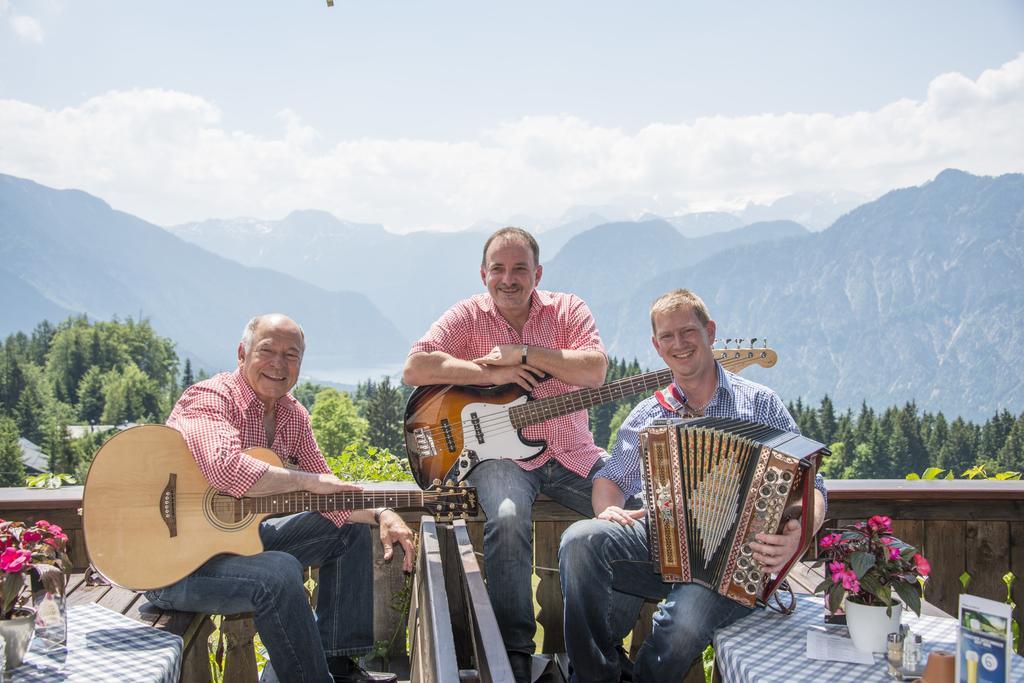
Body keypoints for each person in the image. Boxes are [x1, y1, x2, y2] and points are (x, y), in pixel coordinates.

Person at [558, 289, 828, 683]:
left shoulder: (760, 404)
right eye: (667, 336)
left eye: (688, 331)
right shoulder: (650, 413)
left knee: (685, 618)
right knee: (579, 541)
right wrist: (607, 510)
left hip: (741, 561)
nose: (679, 344)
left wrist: (801, 532)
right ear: (656, 345)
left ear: (710, 331)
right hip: (663, 545)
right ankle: (594, 676)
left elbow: (814, 486)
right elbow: (611, 477)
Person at [145, 314, 415, 683]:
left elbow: (329, 489)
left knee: (346, 532)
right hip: (172, 565)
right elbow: (225, 469)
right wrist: (306, 481)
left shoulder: (293, 415)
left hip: (234, 546)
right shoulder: (211, 397)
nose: (278, 363)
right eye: (266, 350)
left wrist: (383, 511)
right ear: (242, 354)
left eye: (291, 355)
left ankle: (338, 664)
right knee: (278, 571)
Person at [403, 227, 609, 682]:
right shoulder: (467, 317)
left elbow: (595, 369)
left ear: (538, 273)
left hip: (574, 452)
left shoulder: (568, 310)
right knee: (511, 516)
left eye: (520, 269)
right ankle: (513, 653)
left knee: (631, 513)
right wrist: (485, 373)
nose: (508, 279)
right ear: (483, 274)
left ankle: (603, 654)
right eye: (499, 269)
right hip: (502, 459)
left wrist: (525, 352)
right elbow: (415, 367)